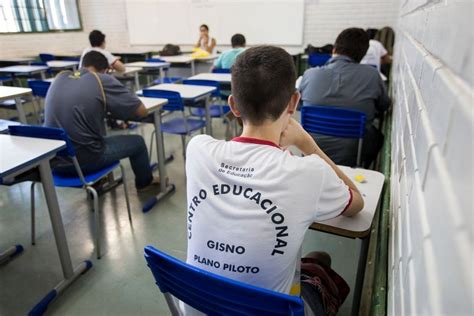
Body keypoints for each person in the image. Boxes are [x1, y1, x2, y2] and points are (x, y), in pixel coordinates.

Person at [185, 46, 364, 315]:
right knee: (319, 260)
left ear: (233, 105)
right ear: (293, 103)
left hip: (197, 306)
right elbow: (357, 203)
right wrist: (308, 144)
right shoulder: (309, 172)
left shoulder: (197, 149)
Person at [44, 51, 160, 191]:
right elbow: (142, 111)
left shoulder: (60, 78)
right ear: (105, 70)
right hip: (83, 162)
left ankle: (100, 182)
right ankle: (145, 183)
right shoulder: (100, 79)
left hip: (54, 162)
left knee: (94, 134)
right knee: (138, 142)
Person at [299, 27, 391, 168]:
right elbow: (384, 105)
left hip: (311, 152)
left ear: (334, 49)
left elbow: (299, 106)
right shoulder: (372, 75)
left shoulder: (310, 75)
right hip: (354, 156)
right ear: (362, 55)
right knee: (378, 136)